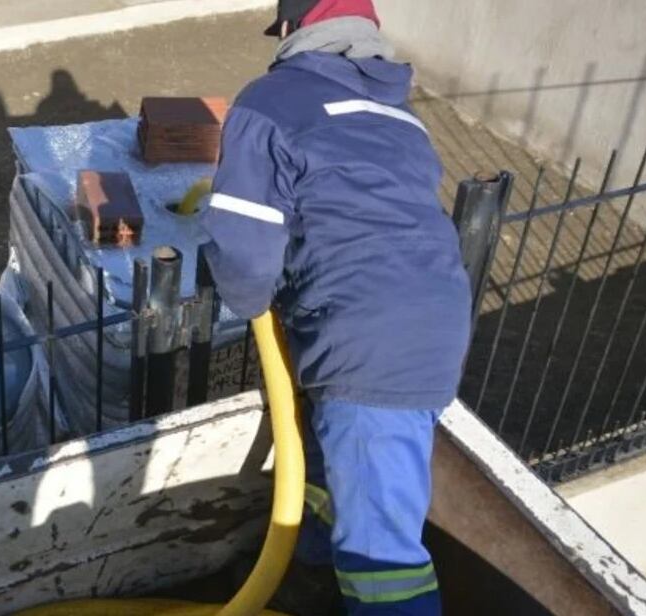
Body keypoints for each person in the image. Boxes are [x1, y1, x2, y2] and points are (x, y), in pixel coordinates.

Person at [199, 1, 470, 614]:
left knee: (384, 559)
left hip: (371, 343)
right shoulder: (403, 119)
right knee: (329, 472)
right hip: (431, 322)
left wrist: (244, 301)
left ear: (296, 27)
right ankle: (312, 576)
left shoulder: (270, 101)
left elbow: (244, 245)